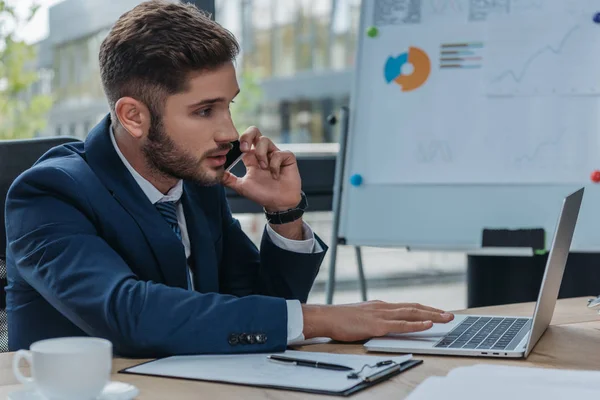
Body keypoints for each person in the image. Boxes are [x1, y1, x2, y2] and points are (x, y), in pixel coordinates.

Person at [4, 0, 454, 357]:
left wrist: (284, 214)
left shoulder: (195, 184)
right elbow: (130, 314)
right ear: (133, 116)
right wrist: (323, 318)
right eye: (204, 110)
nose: (229, 133)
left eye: (228, 106)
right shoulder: (49, 194)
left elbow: (259, 305)